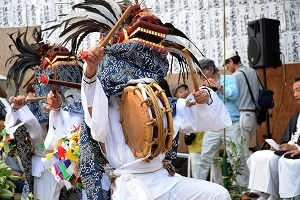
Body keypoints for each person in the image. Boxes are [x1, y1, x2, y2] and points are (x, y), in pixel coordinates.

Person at [80, 41, 233, 200]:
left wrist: (205, 97)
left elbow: (196, 113)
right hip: (130, 187)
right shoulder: (105, 106)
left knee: (218, 194)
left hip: (163, 180)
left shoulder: (159, 103)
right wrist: (91, 68)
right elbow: (91, 100)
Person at [197, 59, 248, 187]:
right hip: (213, 124)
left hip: (231, 122)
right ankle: (197, 187)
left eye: (201, 72)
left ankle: (243, 189)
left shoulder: (229, 79)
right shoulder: (203, 86)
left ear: (211, 70)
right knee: (204, 157)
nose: (199, 76)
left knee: (236, 156)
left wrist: (218, 87)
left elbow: (234, 94)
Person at [247, 77, 300, 200]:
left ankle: (284, 196)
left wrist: (297, 147)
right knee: (259, 156)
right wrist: (280, 145)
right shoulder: (297, 115)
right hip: (293, 146)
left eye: (298, 90)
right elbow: (289, 136)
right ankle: (266, 192)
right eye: (293, 92)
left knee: (280, 160)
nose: (296, 95)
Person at [224, 49, 260, 167]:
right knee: (244, 148)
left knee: (242, 151)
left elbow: (232, 95)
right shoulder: (253, 71)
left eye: (226, 64)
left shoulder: (235, 76)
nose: (227, 67)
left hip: (243, 116)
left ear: (231, 61)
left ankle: (250, 180)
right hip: (255, 116)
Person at [172, 83, 205, 178]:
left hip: (206, 137)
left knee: (214, 165)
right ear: (175, 96)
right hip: (193, 143)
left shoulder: (194, 100)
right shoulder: (177, 108)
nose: (184, 93)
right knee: (195, 168)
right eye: (180, 92)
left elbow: (191, 103)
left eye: (185, 90)